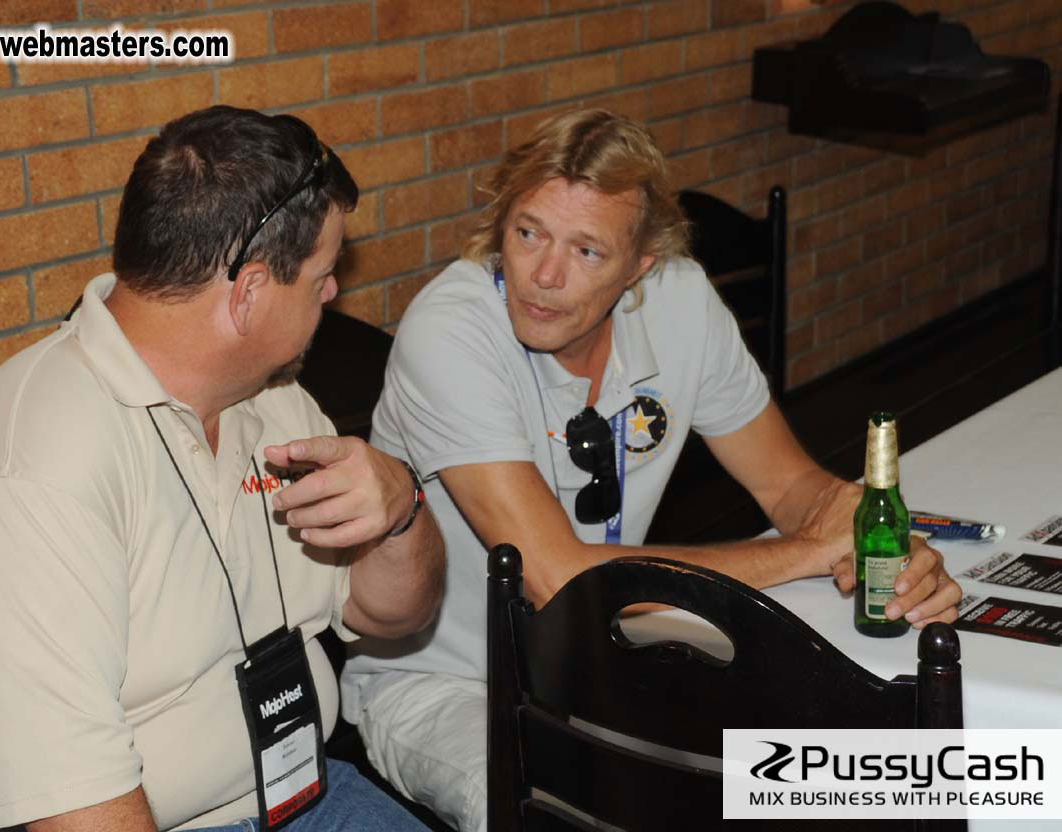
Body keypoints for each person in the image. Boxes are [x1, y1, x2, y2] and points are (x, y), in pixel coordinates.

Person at [340, 108, 963, 832]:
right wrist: (799, 553)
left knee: (851, 783)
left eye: (586, 252)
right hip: (452, 685)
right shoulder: (448, 331)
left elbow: (789, 485)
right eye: (527, 232)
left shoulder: (677, 298)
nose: (542, 276)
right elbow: (565, 579)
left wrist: (875, 546)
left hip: (611, 659)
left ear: (640, 264)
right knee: (586, 813)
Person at [0, 106, 444, 832]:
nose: (334, 291)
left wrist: (400, 505)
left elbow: (394, 612)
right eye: (322, 272)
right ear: (247, 293)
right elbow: (75, 814)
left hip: (282, 795)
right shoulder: (35, 467)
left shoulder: (278, 401)